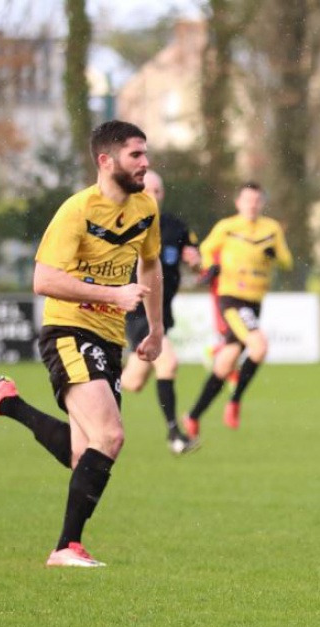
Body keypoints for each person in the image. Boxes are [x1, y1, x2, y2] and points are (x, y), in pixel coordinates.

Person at [0, 120, 161, 567]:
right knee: (110, 435)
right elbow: (43, 280)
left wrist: (156, 329)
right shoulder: (77, 210)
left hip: (110, 338)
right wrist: (112, 294)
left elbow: (150, 265)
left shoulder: (145, 207)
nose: (145, 163)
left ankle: (7, 403)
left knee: (83, 453)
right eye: (135, 155)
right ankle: (65, 548)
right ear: (106, 160)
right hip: (68, 331)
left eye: (145, 153)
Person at [183, 182, 292, 438]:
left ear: (262, 203)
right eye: (247, 200)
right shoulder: (227, 227)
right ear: (238, 203)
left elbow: (287, 262)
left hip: (255, 302)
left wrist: (274, 254)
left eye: (256, 201)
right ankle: (235, 401)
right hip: (231, 298)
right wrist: (210, 267)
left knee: (225, 363)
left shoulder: (271, 229)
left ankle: (193, 416)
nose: (252, 205)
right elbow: (206, 249)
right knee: (259, 346)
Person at [119, 170, 202, 455]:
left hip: (161, 313)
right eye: (147, 191)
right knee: (168, 362)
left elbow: (195, 260)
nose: (152, 196)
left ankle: (103, 373)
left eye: (157, 191)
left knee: (133, 382)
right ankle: (174, 434)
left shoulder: (176, 227)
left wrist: (194, 260)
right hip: (137, 312)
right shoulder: (126, 224)